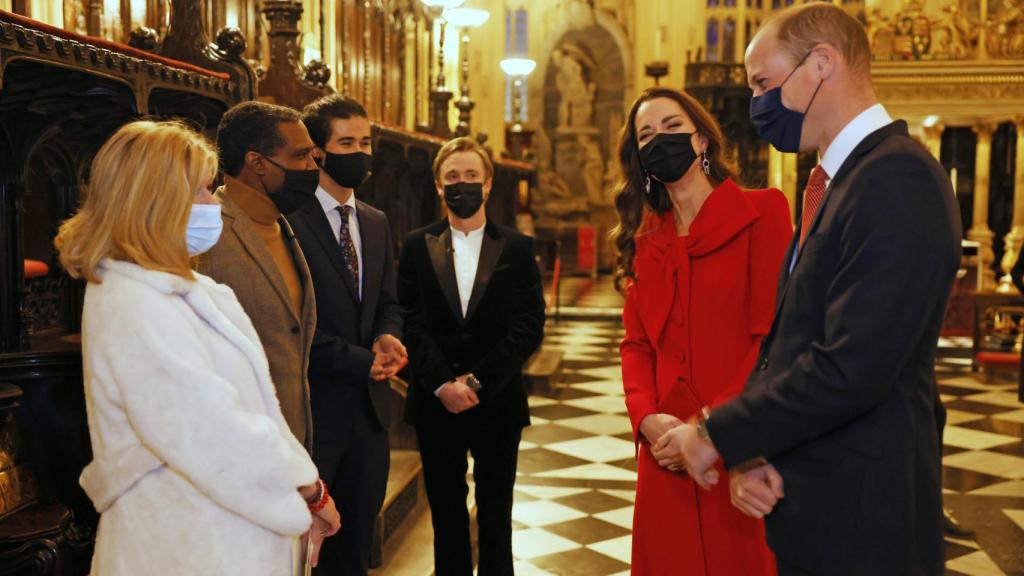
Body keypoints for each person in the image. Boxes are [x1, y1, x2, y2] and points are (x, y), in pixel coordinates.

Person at [654, 4, 962, 575]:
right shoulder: (840, 182)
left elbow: (852, 365)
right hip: (821, 492)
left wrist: (716, 434)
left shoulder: (897, 178)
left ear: (821, 63)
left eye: (764, 84)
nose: (757, 106)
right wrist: (757, 449)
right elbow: (795, 342)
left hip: (867, 515)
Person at [56, 120, 339, 576]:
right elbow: (210, 429)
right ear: (155, 200)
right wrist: (307, 491)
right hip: (184, 544)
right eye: (203, 191)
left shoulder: (192, 289)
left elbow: (256, 409)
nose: (214, 203)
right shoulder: (132, 301)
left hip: (222, 534)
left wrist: (302, 483)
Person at [612, 86, 791, 575]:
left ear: (703, 141)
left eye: (672, 128)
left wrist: (711, 427)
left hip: (738, 449)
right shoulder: (646, 239)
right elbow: (637, 344)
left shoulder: (764, 213)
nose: (659, 141)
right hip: (665, 455)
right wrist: (646, 419)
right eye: (646, 135)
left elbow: (771, 339)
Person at [398, 137, 545, 576]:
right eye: (453, 177)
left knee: (497, 513)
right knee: (446, 515)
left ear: (488, 183)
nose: (462, 185)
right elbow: (411, 320)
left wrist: (476, 382)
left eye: (471, 176)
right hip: (435, 401)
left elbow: (528, 326)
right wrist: (443, 383)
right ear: (439, 187)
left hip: (497, 401)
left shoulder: (517, 247)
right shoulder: (415, 245)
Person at [290, 93, 406, 575]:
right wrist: (362, 360)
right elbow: (295, 322)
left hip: (371, 415)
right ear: (318, 151)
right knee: (304, 554)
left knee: (356, 549)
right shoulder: (290, 221)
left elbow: (387, 302)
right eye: (346, 142)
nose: (359, 152)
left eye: (365, 141)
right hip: (315, 412)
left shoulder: (375, 222)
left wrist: (388, 336)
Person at [196, 101, 319, 452]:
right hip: (239, 448)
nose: (312, 168)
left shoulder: (282, 222)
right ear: (257, 163)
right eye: (300, 157)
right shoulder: (206, 233)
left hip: (294, 439)